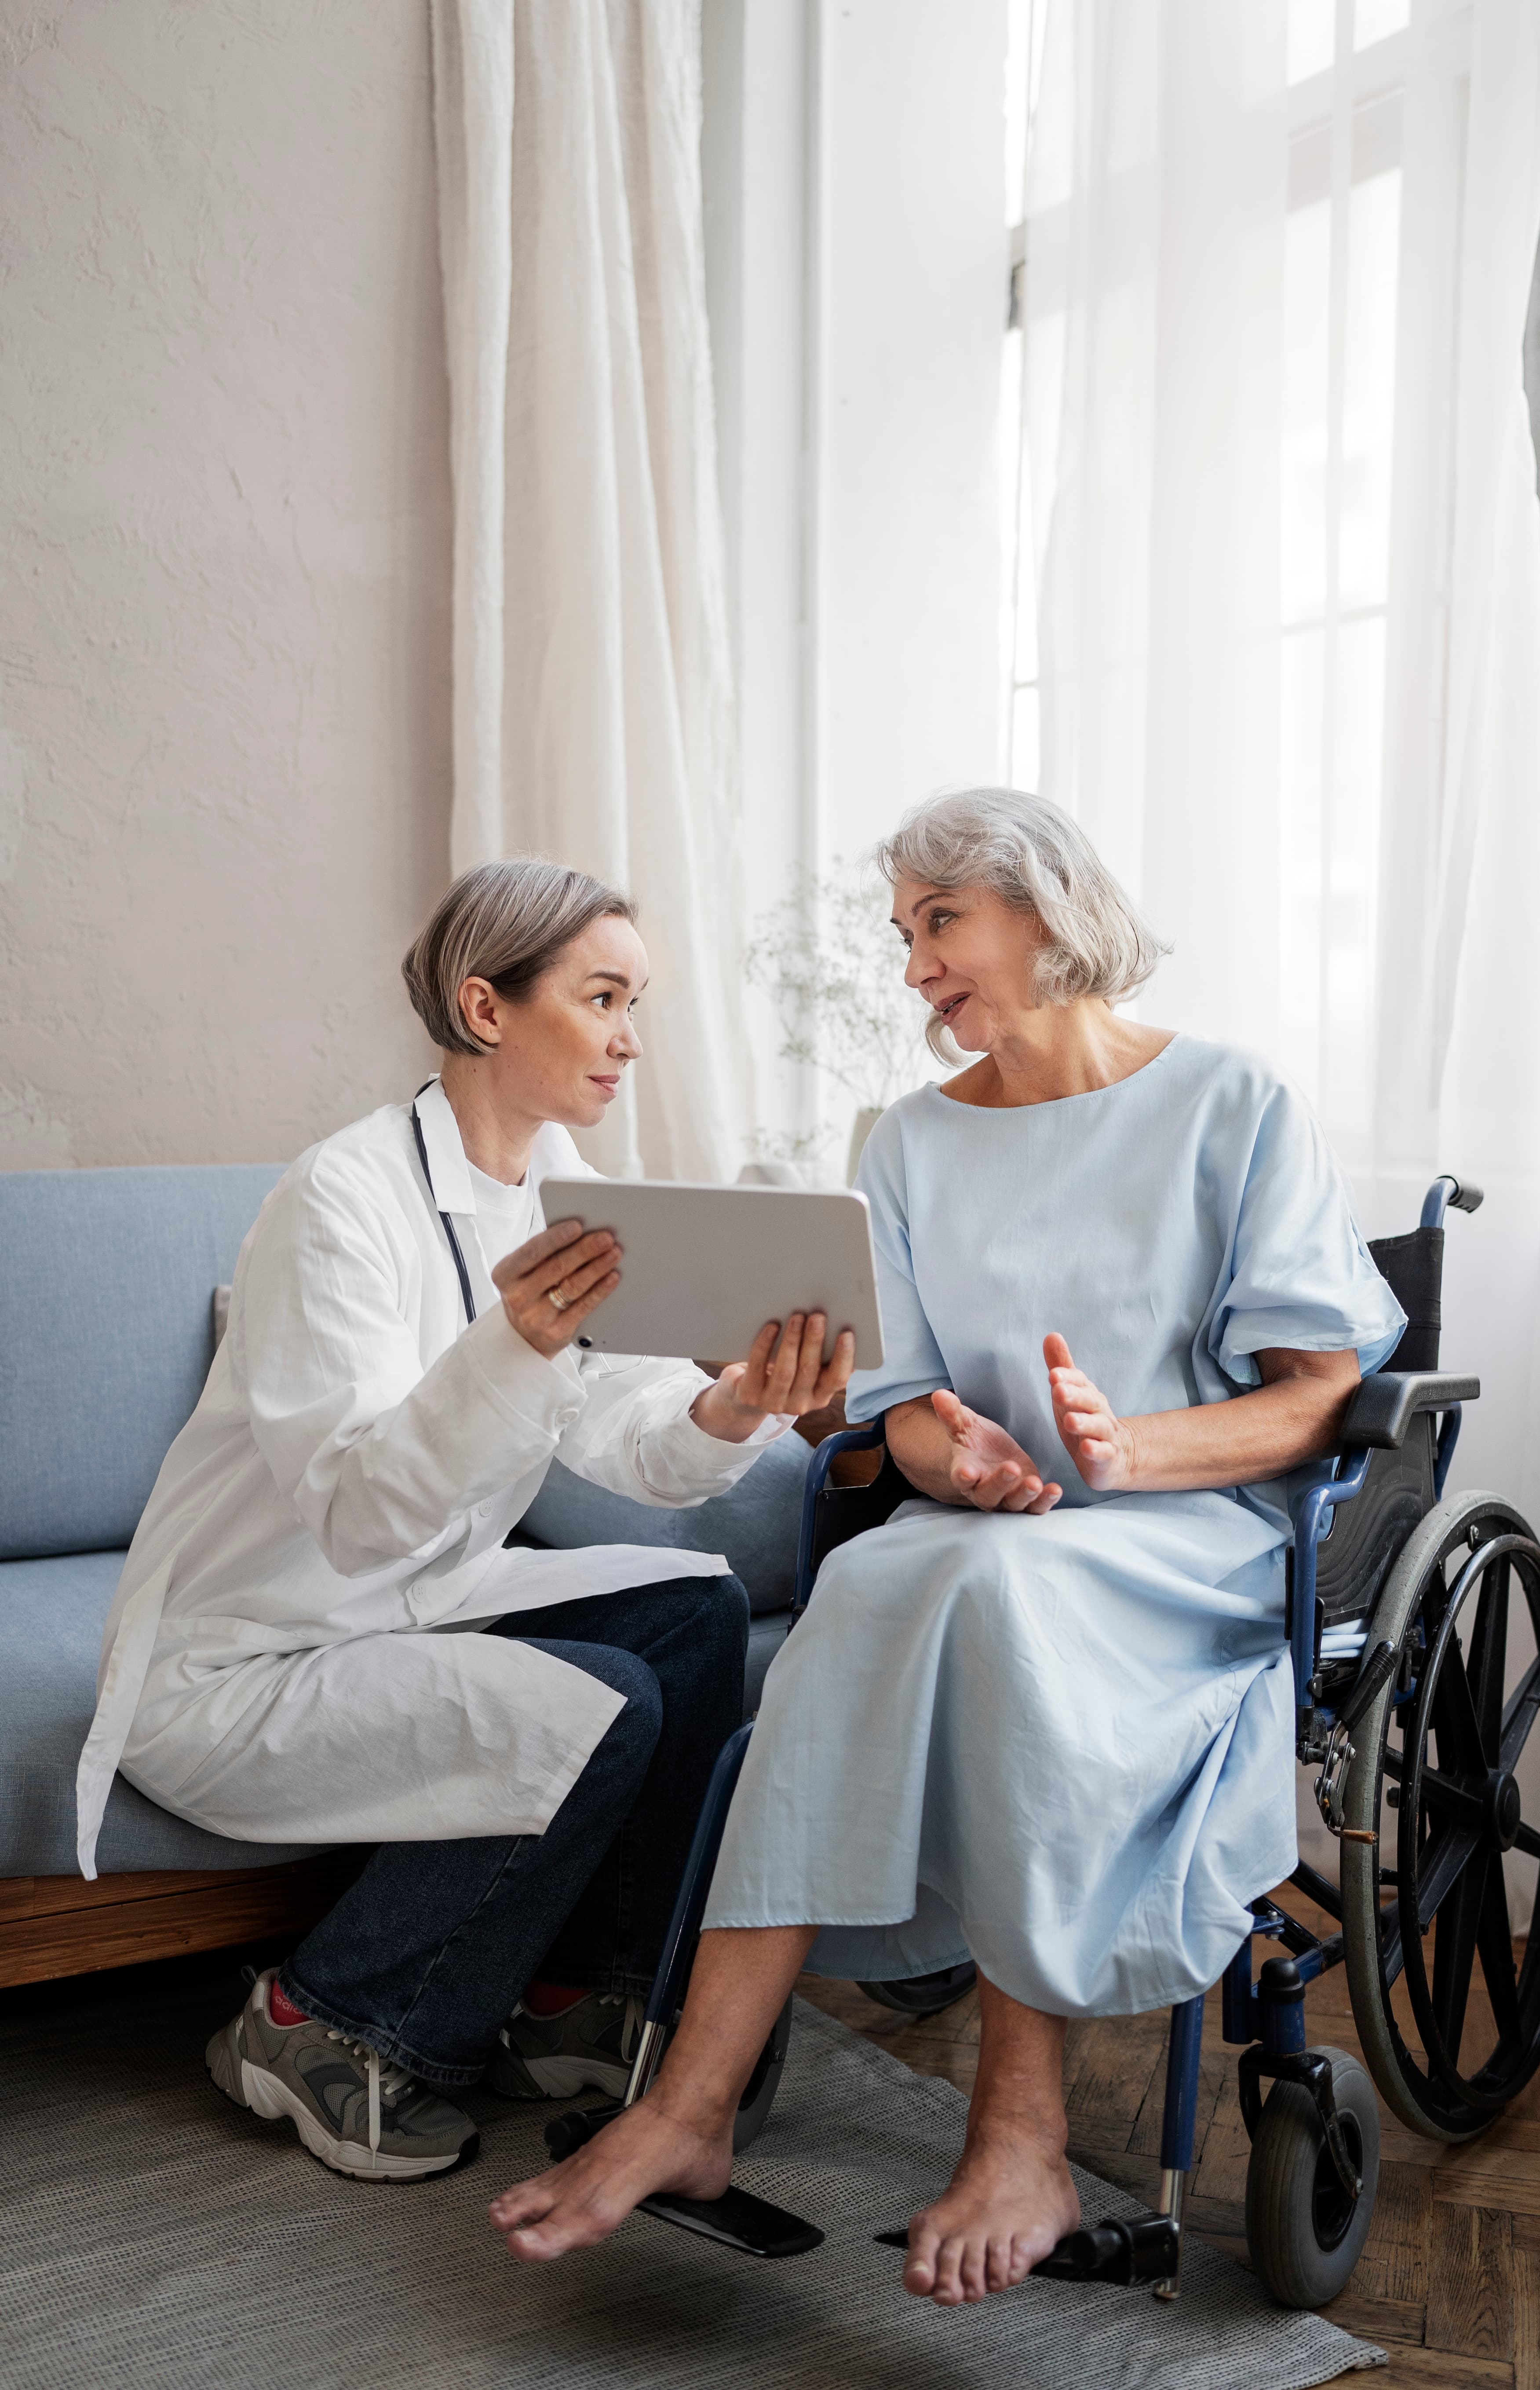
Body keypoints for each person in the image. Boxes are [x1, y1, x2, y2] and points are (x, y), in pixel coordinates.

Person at [487, 787, 1403, 2303]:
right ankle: (691, 2106)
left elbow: (1320, 1399)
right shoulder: (909, 1142)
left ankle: (1019, 2129)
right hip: (987, 1541)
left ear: (1043, 910)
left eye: (937, 923)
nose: (913, 965)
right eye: (904, 931)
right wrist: (949, 1448)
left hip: (1184, 1547)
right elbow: (904, 1405)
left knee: (973, 1586)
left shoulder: (1234, 1103)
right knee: (875, 1571)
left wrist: (1131, 1451)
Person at [73, 857, 852, 2181]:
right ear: (489, 1009)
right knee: (598, 1699)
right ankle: (325, 2015)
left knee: (698, 1608)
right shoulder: (339, 1201)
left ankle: (572, 1994)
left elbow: (616, 1423)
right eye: (603, 997)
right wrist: (514, 1342)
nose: (629, 1036)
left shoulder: (562, 1180)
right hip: (250, 1654)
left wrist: (733, 1409)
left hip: (404, 1608)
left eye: (637, 1000)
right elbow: (360, 1515)